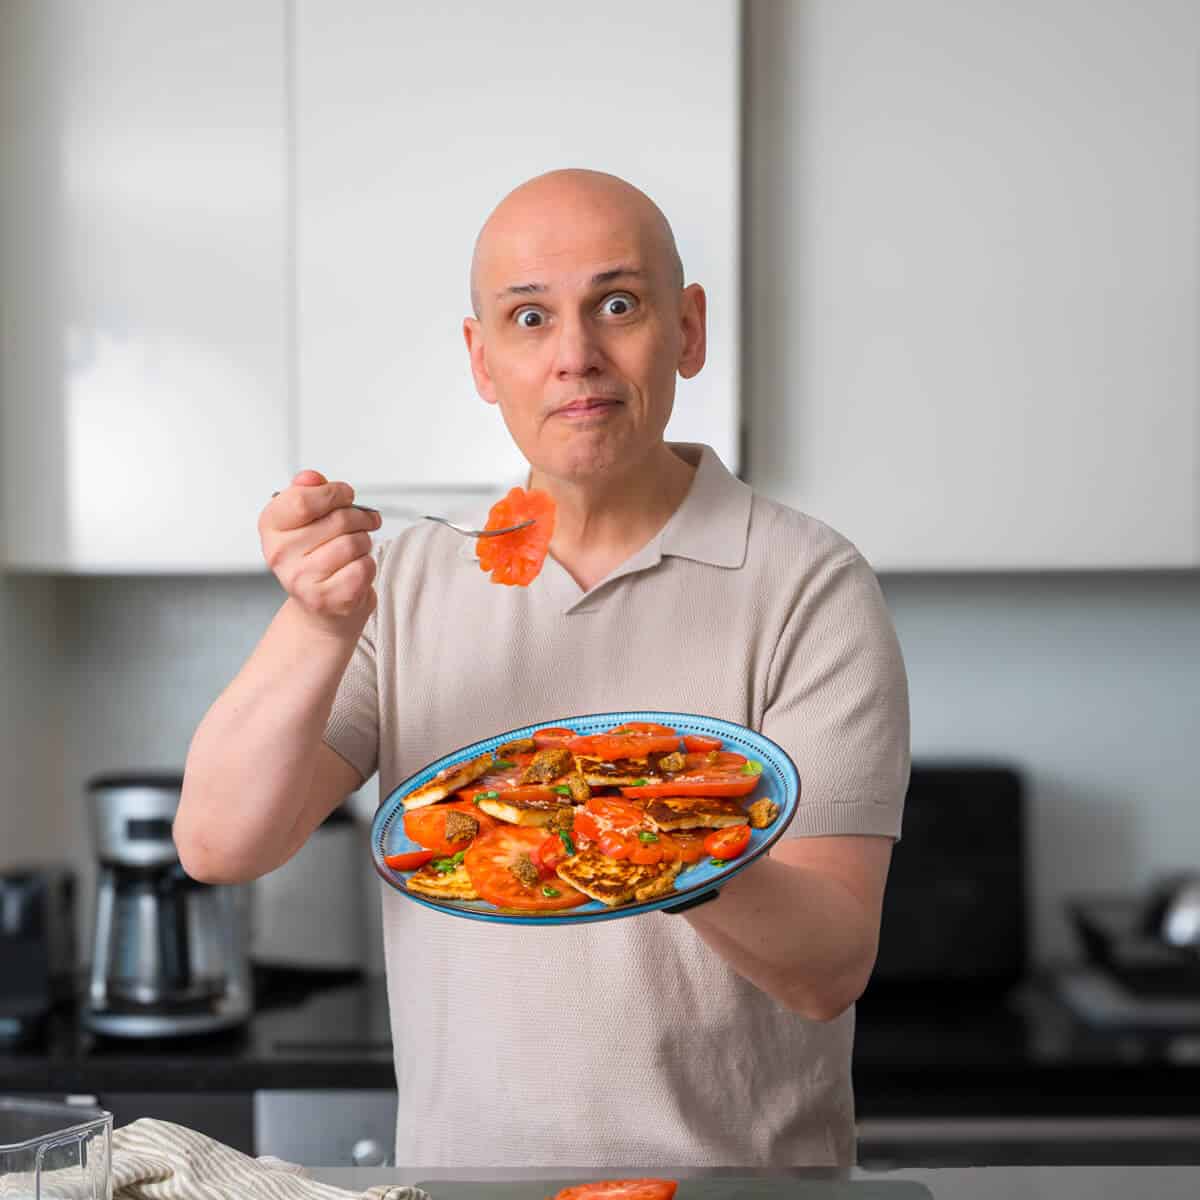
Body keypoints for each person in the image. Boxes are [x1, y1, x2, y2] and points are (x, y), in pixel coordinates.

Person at [175, 168, 910, 1169]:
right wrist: (316, 621)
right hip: (467, 1192)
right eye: (529, 318)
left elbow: (830, 965)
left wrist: (650, 843)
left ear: (687, 330)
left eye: (618, 305)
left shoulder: (808, 583)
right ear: (482, 360)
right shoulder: (403, 578)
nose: (575, 357)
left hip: (742, 1194)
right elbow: (218, 845)